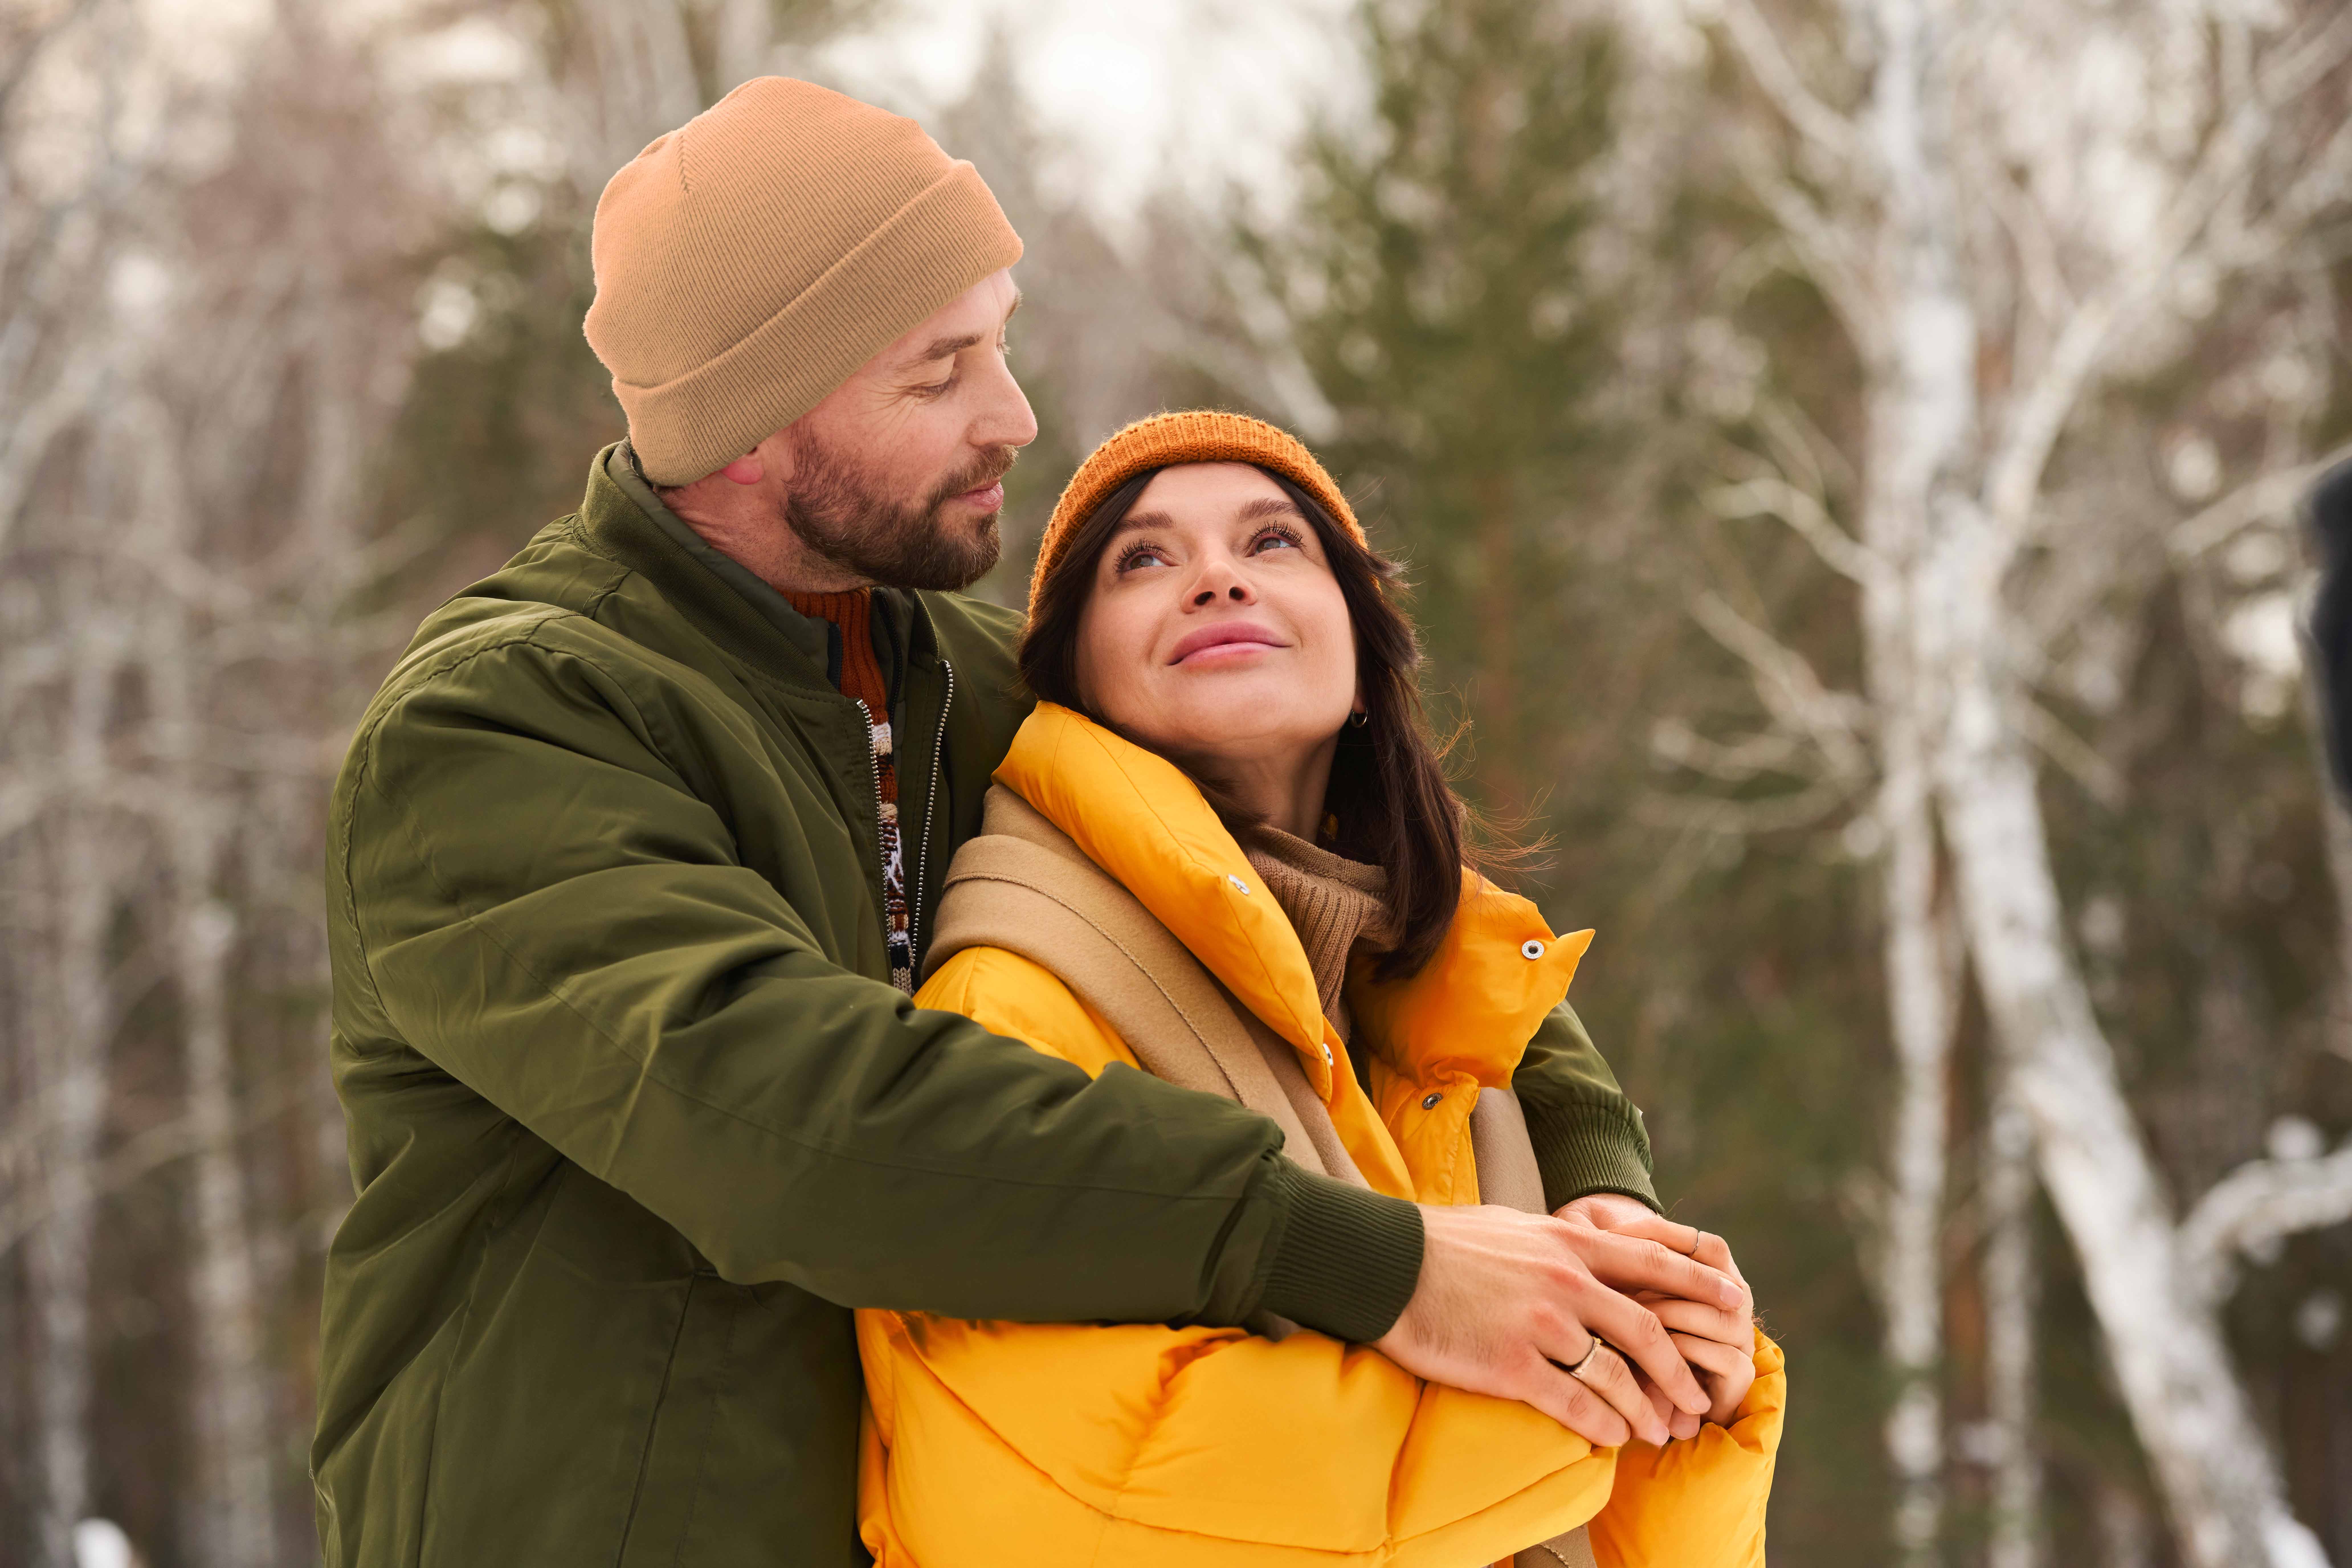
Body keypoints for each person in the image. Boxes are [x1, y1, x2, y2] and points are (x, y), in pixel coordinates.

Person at [311, 79, 1745, 1567]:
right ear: (750, 423)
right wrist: (1376, 1268)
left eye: (998, 342)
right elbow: (798, 1125)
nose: (1017, 417)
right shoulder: (500, 730)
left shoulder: (981, 680)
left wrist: (1602, 1203)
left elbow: (1394, 897)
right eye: (942, 372)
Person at [854, 413, 1783, 1567]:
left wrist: (1695, 1381)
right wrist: (1602, 1385)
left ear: (1360, 648)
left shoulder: (1442, 1023)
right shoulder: (1017, 997)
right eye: (1143, 558)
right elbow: (1061, 1501)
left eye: (1274, 542)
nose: (1216, 577)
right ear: (1072, 679)